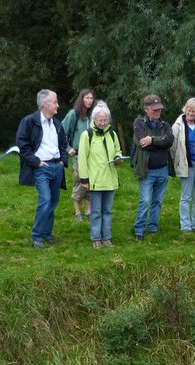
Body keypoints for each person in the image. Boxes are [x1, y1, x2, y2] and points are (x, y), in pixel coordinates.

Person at [16, 89, 69, 249]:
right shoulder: (29, 121)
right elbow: (22, 145)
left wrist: (62, 161)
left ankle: (47, 233)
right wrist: (36, 162)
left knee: (53, 201)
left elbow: (63, 144)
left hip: (56, 167)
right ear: (45, 104)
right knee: (45, 200)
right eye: (55, 102)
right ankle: (37, 236)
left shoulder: (57, 123)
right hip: (42, 167)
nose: (58, 105)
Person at [78, 102, 123, 248]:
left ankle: (107, 238)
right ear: (94, 120)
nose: (103, 123)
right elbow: (82, 159)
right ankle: (96, 238)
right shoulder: (87, 135)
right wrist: (84, 179)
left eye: (105, 120)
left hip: (110, 179)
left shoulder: (112, 133)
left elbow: (117, 149)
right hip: (95, 180)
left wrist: (118, 157)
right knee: (96, 211)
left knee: (107, 211)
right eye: (100, 120)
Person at [132, 94, 174, 241]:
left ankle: (153, 227)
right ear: (146, 109)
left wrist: (152, 140)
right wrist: (158, 143)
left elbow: (169, 141)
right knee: (145, 200)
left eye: (159, 109)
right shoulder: (139, 123)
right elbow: (142, 144)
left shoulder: (165, 125)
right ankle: (139, 229)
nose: (158, 112)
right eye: (154, 109)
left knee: (158, 201)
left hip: (162, 169)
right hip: (147, 170)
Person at [171, 98, 195, 233]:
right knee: (186, 196)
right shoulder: (178, 126)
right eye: (189, 110)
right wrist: (177, 162)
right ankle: (185, 225)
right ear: (185, 110)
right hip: (187, 165)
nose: (191, 113)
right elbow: (173, 147)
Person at [61, 88, 96, 221]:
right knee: (79, 182)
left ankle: (88, 210)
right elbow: (61, 132)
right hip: (78, 156)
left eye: (91, 98)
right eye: (86, 98)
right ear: (81, 99)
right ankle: (77, 212)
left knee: (91, 183)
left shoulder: (93, 115)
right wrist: (68, 148)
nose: (89, 101)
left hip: (93, 157)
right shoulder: (73, 114)